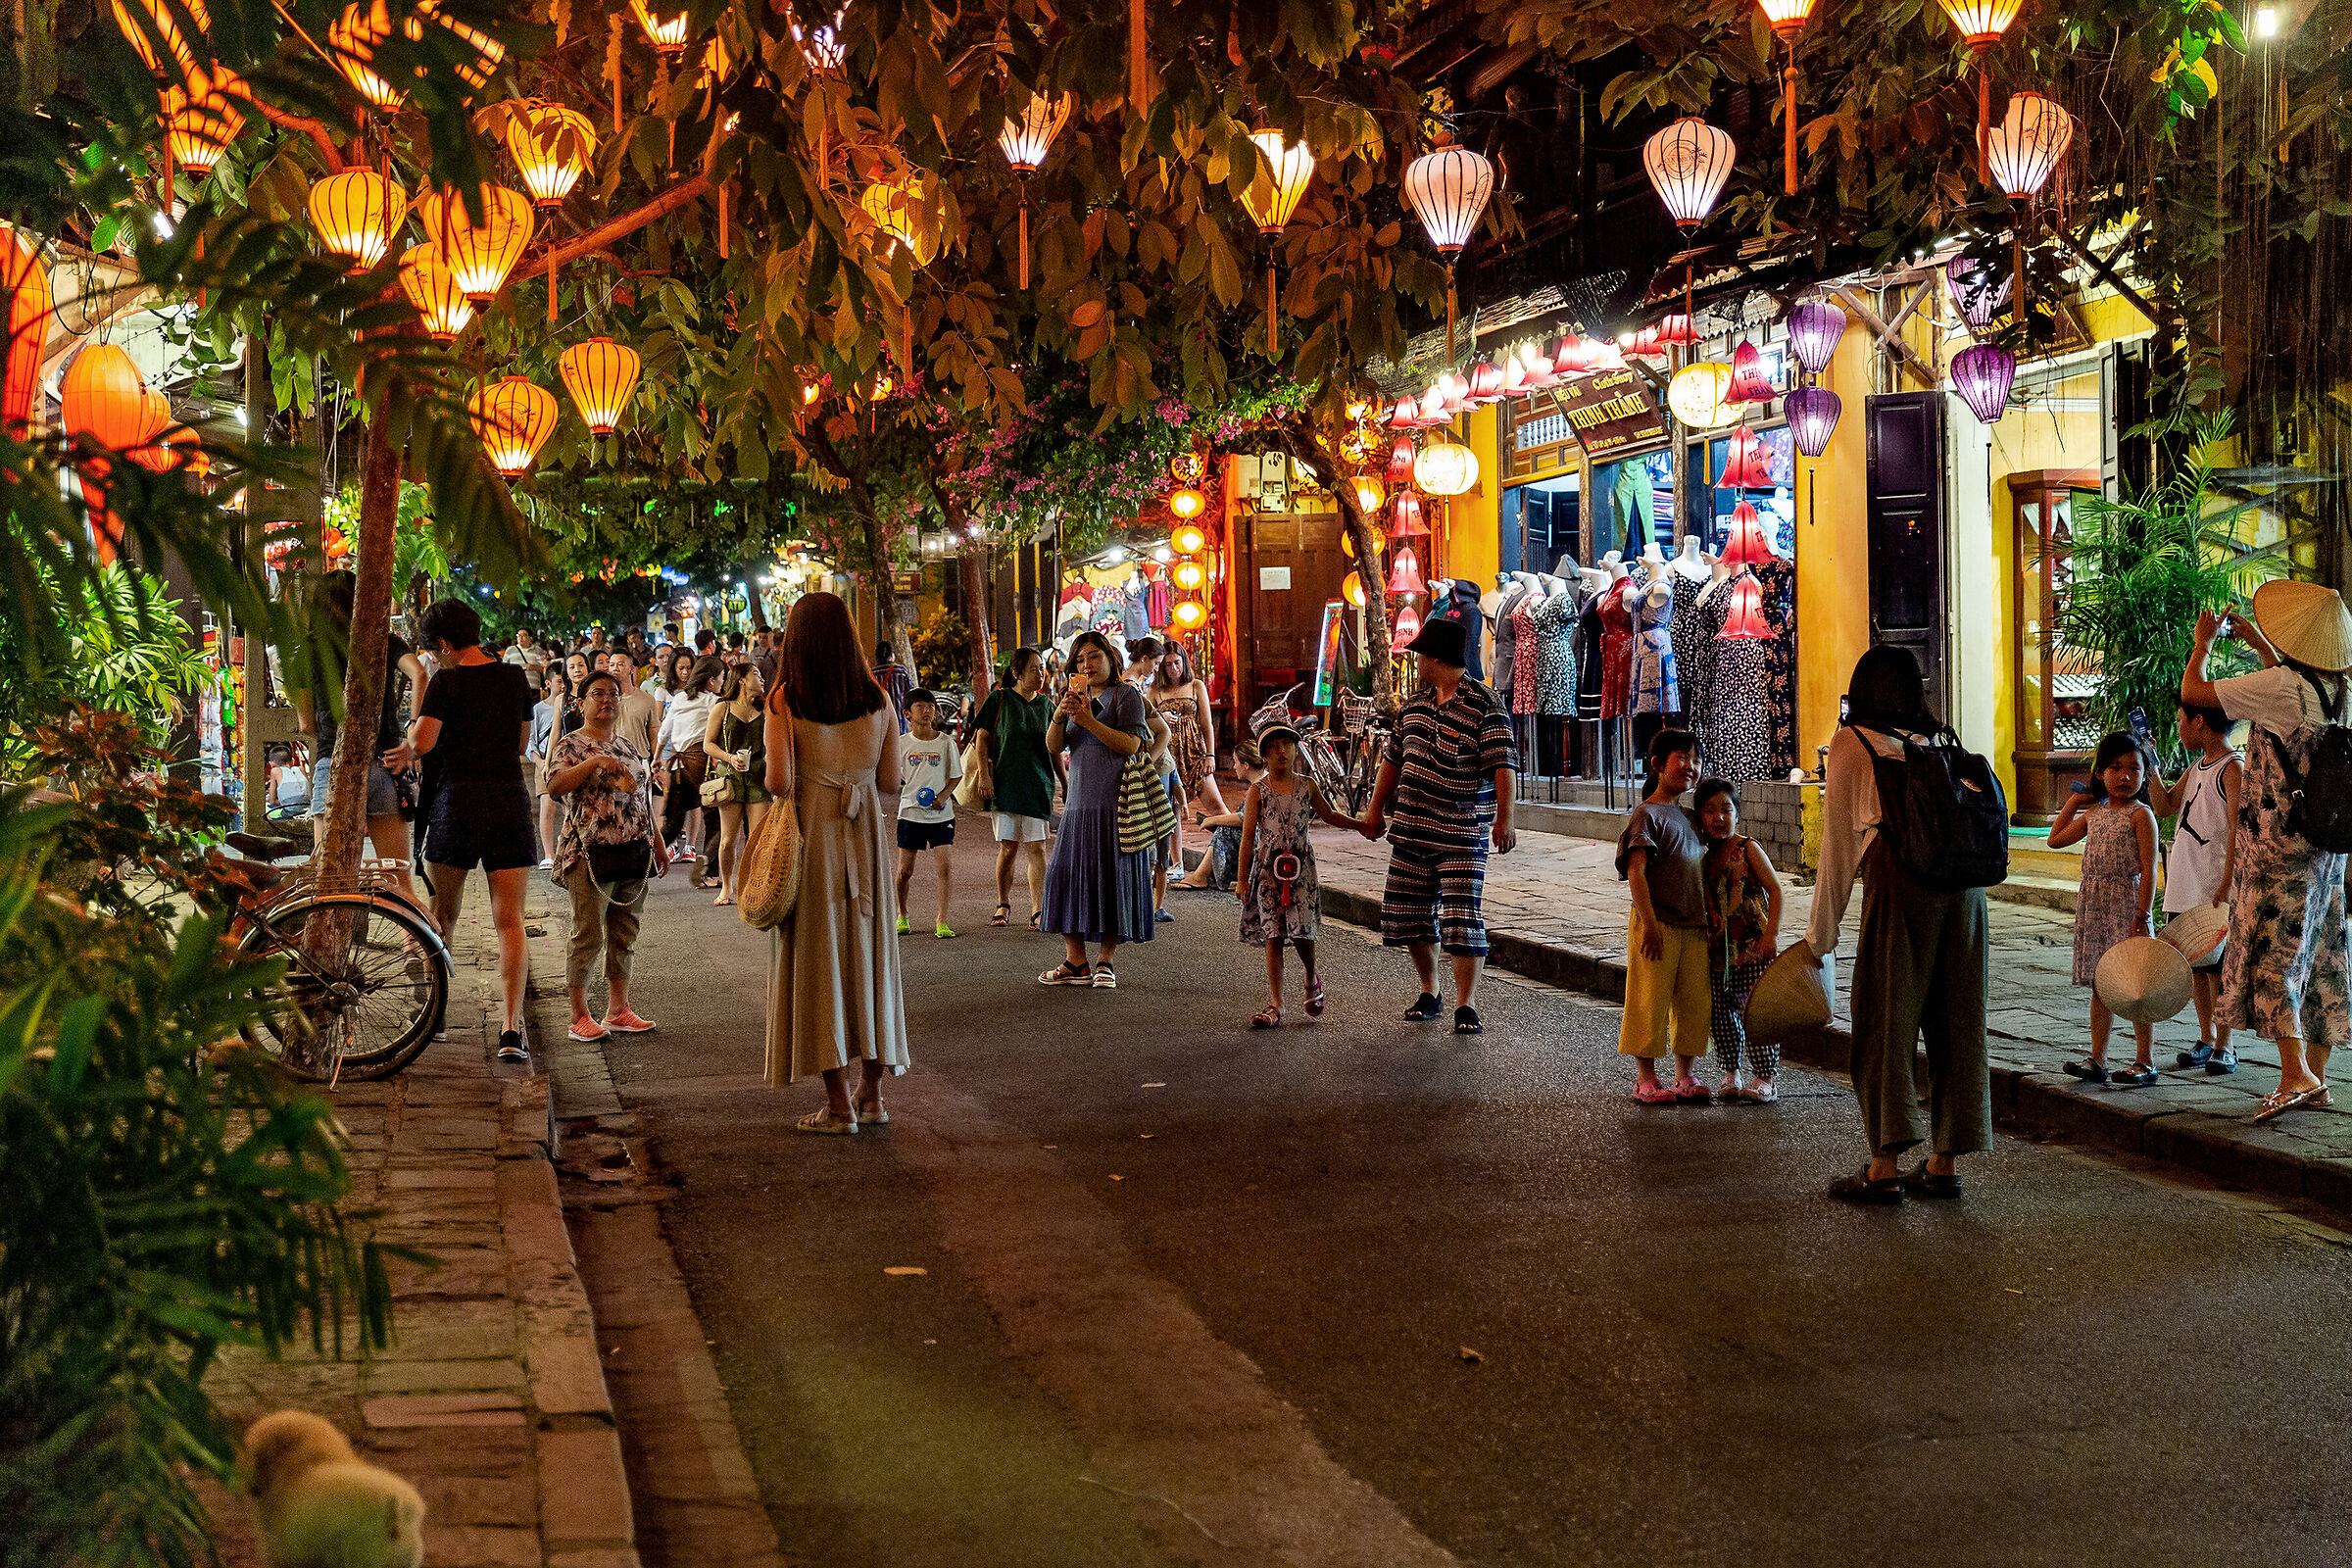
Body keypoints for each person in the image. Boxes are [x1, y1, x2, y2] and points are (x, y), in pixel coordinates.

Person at [1806, 646, 1990, 1202]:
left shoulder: (1853, 743)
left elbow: (1838, 848)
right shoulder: (1939, 740)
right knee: (1960, 1020)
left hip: (1902, 881)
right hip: (1964, 891)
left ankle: (1884, 1165)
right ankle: (1944, 1161)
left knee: (1885, 1019)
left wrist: (1821, 937)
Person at [2181, 585, 2352, 1121]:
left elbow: (2196, 692)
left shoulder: (2279, 685)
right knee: (2321, 957)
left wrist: (2203, 645)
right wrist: (2258, 644)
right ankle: (2316, 1080)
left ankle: (2294, 1072)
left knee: (2275, 955)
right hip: (2326, 847)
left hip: (2276, 848)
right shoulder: (2339, 691)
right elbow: (2288, 701)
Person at [762, 591, 908, 1134]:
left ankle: (838, 1105)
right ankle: (871, 1094)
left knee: (819, 959)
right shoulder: (878, 701)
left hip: (815, 837)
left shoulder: (785, 701)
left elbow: (778, 782)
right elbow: (892, 782)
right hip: (865, 835)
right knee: (870, 956)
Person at [385, 598, 539, 1063]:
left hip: (455, 802)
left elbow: (422, 743)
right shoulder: (513, 676)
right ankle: (512, 1029)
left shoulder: (445, 681)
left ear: (446, 643)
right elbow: (522, 741)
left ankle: (436, 1018)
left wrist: (413, 730)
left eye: (434, 648)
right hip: (508, 802)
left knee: (443, 916)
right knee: (509, 920)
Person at [1357, 616, 1518, 1036]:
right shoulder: (1413, 706)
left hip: (1461, 831)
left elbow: (1502, 764)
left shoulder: (1485, 704)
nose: (1416, 663)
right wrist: (1375, 809)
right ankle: (1430, 990)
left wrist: (1505, 818)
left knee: (1461, 916)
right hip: (1411, 829)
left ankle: (1466, 1003)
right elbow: (1392, 762)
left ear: (1436, 658)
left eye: (1421, 656)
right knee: (1410, 912)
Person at [543, 669, 665, 1043]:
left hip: (633, 850)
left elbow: (641, 800)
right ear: (581, 702)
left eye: (613, 694)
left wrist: (658, 843)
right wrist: (592, 764)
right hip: (588, 854)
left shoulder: (627, 746)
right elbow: (554, 786)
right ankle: (579, 1015)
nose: (608, 700)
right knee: (588, 934)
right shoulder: (571, 745)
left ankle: (618, 1009)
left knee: (625, 931)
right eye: (598, 694)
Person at [298, 569, 426, 906]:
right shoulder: (382, 639)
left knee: (328, 881)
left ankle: (325, 954)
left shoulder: (306, 651)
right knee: (397, 879)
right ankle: (418, 951)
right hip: (384, 764)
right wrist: (412, 731)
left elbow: (306, 725)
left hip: (333, 765)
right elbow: (420, 672)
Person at [1039, 630, 1156, 989]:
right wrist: (1061, 715)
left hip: (1115, 804)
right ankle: (1076, 961)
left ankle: (1105, 960)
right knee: (1063, 874)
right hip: (1078, 805)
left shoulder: (1127, 696)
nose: (1087, 665)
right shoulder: (1075, 698)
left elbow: (1132, 745)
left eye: (1093, 656)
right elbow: (1053, 745)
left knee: (1113, 878)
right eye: (1080, 660)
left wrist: (1089, 721)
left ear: (1110, 658)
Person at [2053, 732, 2162, 1088]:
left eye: (2134, 768)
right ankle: (2097, 1057)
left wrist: (2142, 916)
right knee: (2101, 982)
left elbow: (2149, 868)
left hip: (2127, 906)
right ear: (2100, 772)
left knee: (2135, 986)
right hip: (2095, 905)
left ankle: (2144, 1061)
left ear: (2146, 774)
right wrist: (2075, 800)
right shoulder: (2096, 814)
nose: (2125, 776)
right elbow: (2056, 839)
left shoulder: (2141, 815)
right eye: (2115, 767)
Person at [1235, 724, 1360, 1027]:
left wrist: (1362, 825)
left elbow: (1330, 815)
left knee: (1304, 932)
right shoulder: (1258, 791)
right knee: (1273, 935)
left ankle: (1310, 975)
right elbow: (1248, 838)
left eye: (1286, 745)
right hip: (1267, 872)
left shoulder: (1308, 786)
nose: (1281, 751)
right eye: (1274, 746)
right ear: (1264, 755)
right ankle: (1277, 1004)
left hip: (1302, 871)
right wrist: (1242, 879)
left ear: (1295, 749)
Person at [1616, 729, 1711, 1104]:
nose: (1690, 767)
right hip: (1657, 925)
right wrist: (1650, 925)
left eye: (1695, 760)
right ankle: (1645, 1079)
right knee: (1649, 999)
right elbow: (1636, 872)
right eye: (1681, 758)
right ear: (1657, 765)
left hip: (1694, 926)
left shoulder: (1691, 817)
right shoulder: (1646, 815)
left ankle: (1684, 1076)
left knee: (1693, 1002)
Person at [2149, 699, 2243, 1071]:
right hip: (2186, 877)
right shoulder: (2198, 765)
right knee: (2198, 967)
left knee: (2219, 966)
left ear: (2199, 721)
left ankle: (2226, 1043)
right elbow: (2166, 805)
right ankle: (2206, 1037)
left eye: (2181, 720)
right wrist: (2151, 764)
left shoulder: (2231, 766)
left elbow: (2237, 828)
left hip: (2212, 879)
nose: (2180, 727)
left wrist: (2226, 882)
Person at [1694, 777, 1785, 1103]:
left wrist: (1771, 933)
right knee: (1721, 1015)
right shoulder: (1703, 858)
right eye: (1709, 810)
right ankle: (1731, 1073)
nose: (1719, 818)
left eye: (1726, 809)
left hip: (1753, 950)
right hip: (1718, 954)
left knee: (1755, 1013)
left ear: (1738, 814)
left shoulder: (1748, 849)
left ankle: (1765, 1078)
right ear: (1699, 818)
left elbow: (1775, 890)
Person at [971, 647, 1057, 929]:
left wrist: (1064, 783)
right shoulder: (1000, 699)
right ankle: (1003, 902)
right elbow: (981, 739)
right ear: (1017, 673)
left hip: (1038, 785)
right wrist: (985, 775)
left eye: (1042, 668)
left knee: (1038, 848)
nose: (1041, 673)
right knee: (1008, 848)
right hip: (1005, 784)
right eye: (1034, 669)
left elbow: (1056, 749)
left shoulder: (1047, 706)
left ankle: (1037, 909)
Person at [1151, 645, 1227, 918]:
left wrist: (1210, 753)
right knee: (1172, 814)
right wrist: (1161, 717)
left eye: (1177, 663)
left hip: (1195, 753)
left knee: (1217, 807)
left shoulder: (1196, 686)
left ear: (1185, 662)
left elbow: (1207, 723)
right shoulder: (1156, 692)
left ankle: (1229, 855)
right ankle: (1178, 864)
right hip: (1169, 757)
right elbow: (1146, 722)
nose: (1173, 668)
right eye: (1168, 664)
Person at [893, 688, 961, 939]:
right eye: (920, 706)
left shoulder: (945, 742)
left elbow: (956, 776)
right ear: (907, 713)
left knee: (945, 868)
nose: (927, 710)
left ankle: (941, 920)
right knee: (905, 871)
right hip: (910, 814)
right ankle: (902, 914)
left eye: (930, 705)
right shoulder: (901, 743)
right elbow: (893, 776)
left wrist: (943, 796)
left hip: (941, 816)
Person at [701, 662, 770, 906]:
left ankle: (754, 884)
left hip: (759, 779)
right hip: (730, 778)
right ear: (741, 679)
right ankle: (727, 886)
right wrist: (730, 757)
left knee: (758, 837)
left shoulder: (766, 709)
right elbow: (707, 744)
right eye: (756, 674)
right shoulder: (723, 707)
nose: (761, 679)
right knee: (728, 838)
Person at [659, 655, 724, 879]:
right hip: (701, 766)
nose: (722, 683)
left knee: (673, 824)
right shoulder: (713, 702)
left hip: (677, 767)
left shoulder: (678, 699)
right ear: (710, 681)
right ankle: (708, 867)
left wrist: (657, 758)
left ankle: (643, 861)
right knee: (714, 819)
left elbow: (664, 732)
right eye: (721, 678)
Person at [1176, 740, 1263, 892]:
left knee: (1224, 829)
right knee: (1223, 827)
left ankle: (1201, 877)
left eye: (1236, 762)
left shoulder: (1259, 786)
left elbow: (1244, 818)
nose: (1234, 767)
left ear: (1246, 765)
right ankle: (1204, 876)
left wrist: (1213, 820)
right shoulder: (1258, 783)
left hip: (1263, 842)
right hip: (1259, 837)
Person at [526, 666, 571, 866]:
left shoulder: (571, 705)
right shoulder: (538, 709)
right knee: (547, 804)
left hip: (567, 760)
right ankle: (548, 854)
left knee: (568, 806)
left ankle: (566, 848)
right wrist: (540, 762)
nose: (562, 685)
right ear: (548, 683)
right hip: (545, 760)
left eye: (564, 681)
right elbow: (530, 741)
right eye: (559, 681)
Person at [606, 650, 661, 760]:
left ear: (631, 669)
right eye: (612, 665)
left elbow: (654, 735)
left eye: (620, 664)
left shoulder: (647, 699)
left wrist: (658, 763)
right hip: (611, 761)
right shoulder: (604, 700)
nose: (615, 668)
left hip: (639, 760)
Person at [872, 638, 915, 733]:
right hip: (899, 718)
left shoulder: (872, 674)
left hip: (878, 720)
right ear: (892, 655)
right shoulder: (901, 671)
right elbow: (910, 692)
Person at [504, 626, 547, 692]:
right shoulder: (510, 650)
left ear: (530, 638)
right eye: (518, 635)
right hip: (515, 687)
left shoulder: (538, 651)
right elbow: (504, 669)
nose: (520, 638)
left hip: (533, 688)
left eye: (524, 635)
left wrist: (534, 667)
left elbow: (545, 670)